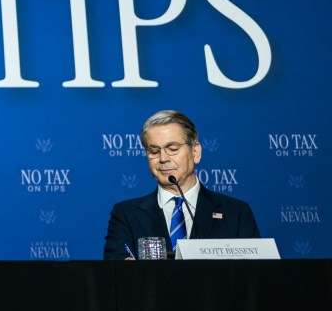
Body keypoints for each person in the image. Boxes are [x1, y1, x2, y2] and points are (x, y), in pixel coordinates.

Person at [103, 109, 260, 260]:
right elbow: (115, 274)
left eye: (172, 148)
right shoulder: (126, 214)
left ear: (196, 152)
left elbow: (255, 276)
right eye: (154, 152)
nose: (163, 158)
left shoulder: (236, 212)